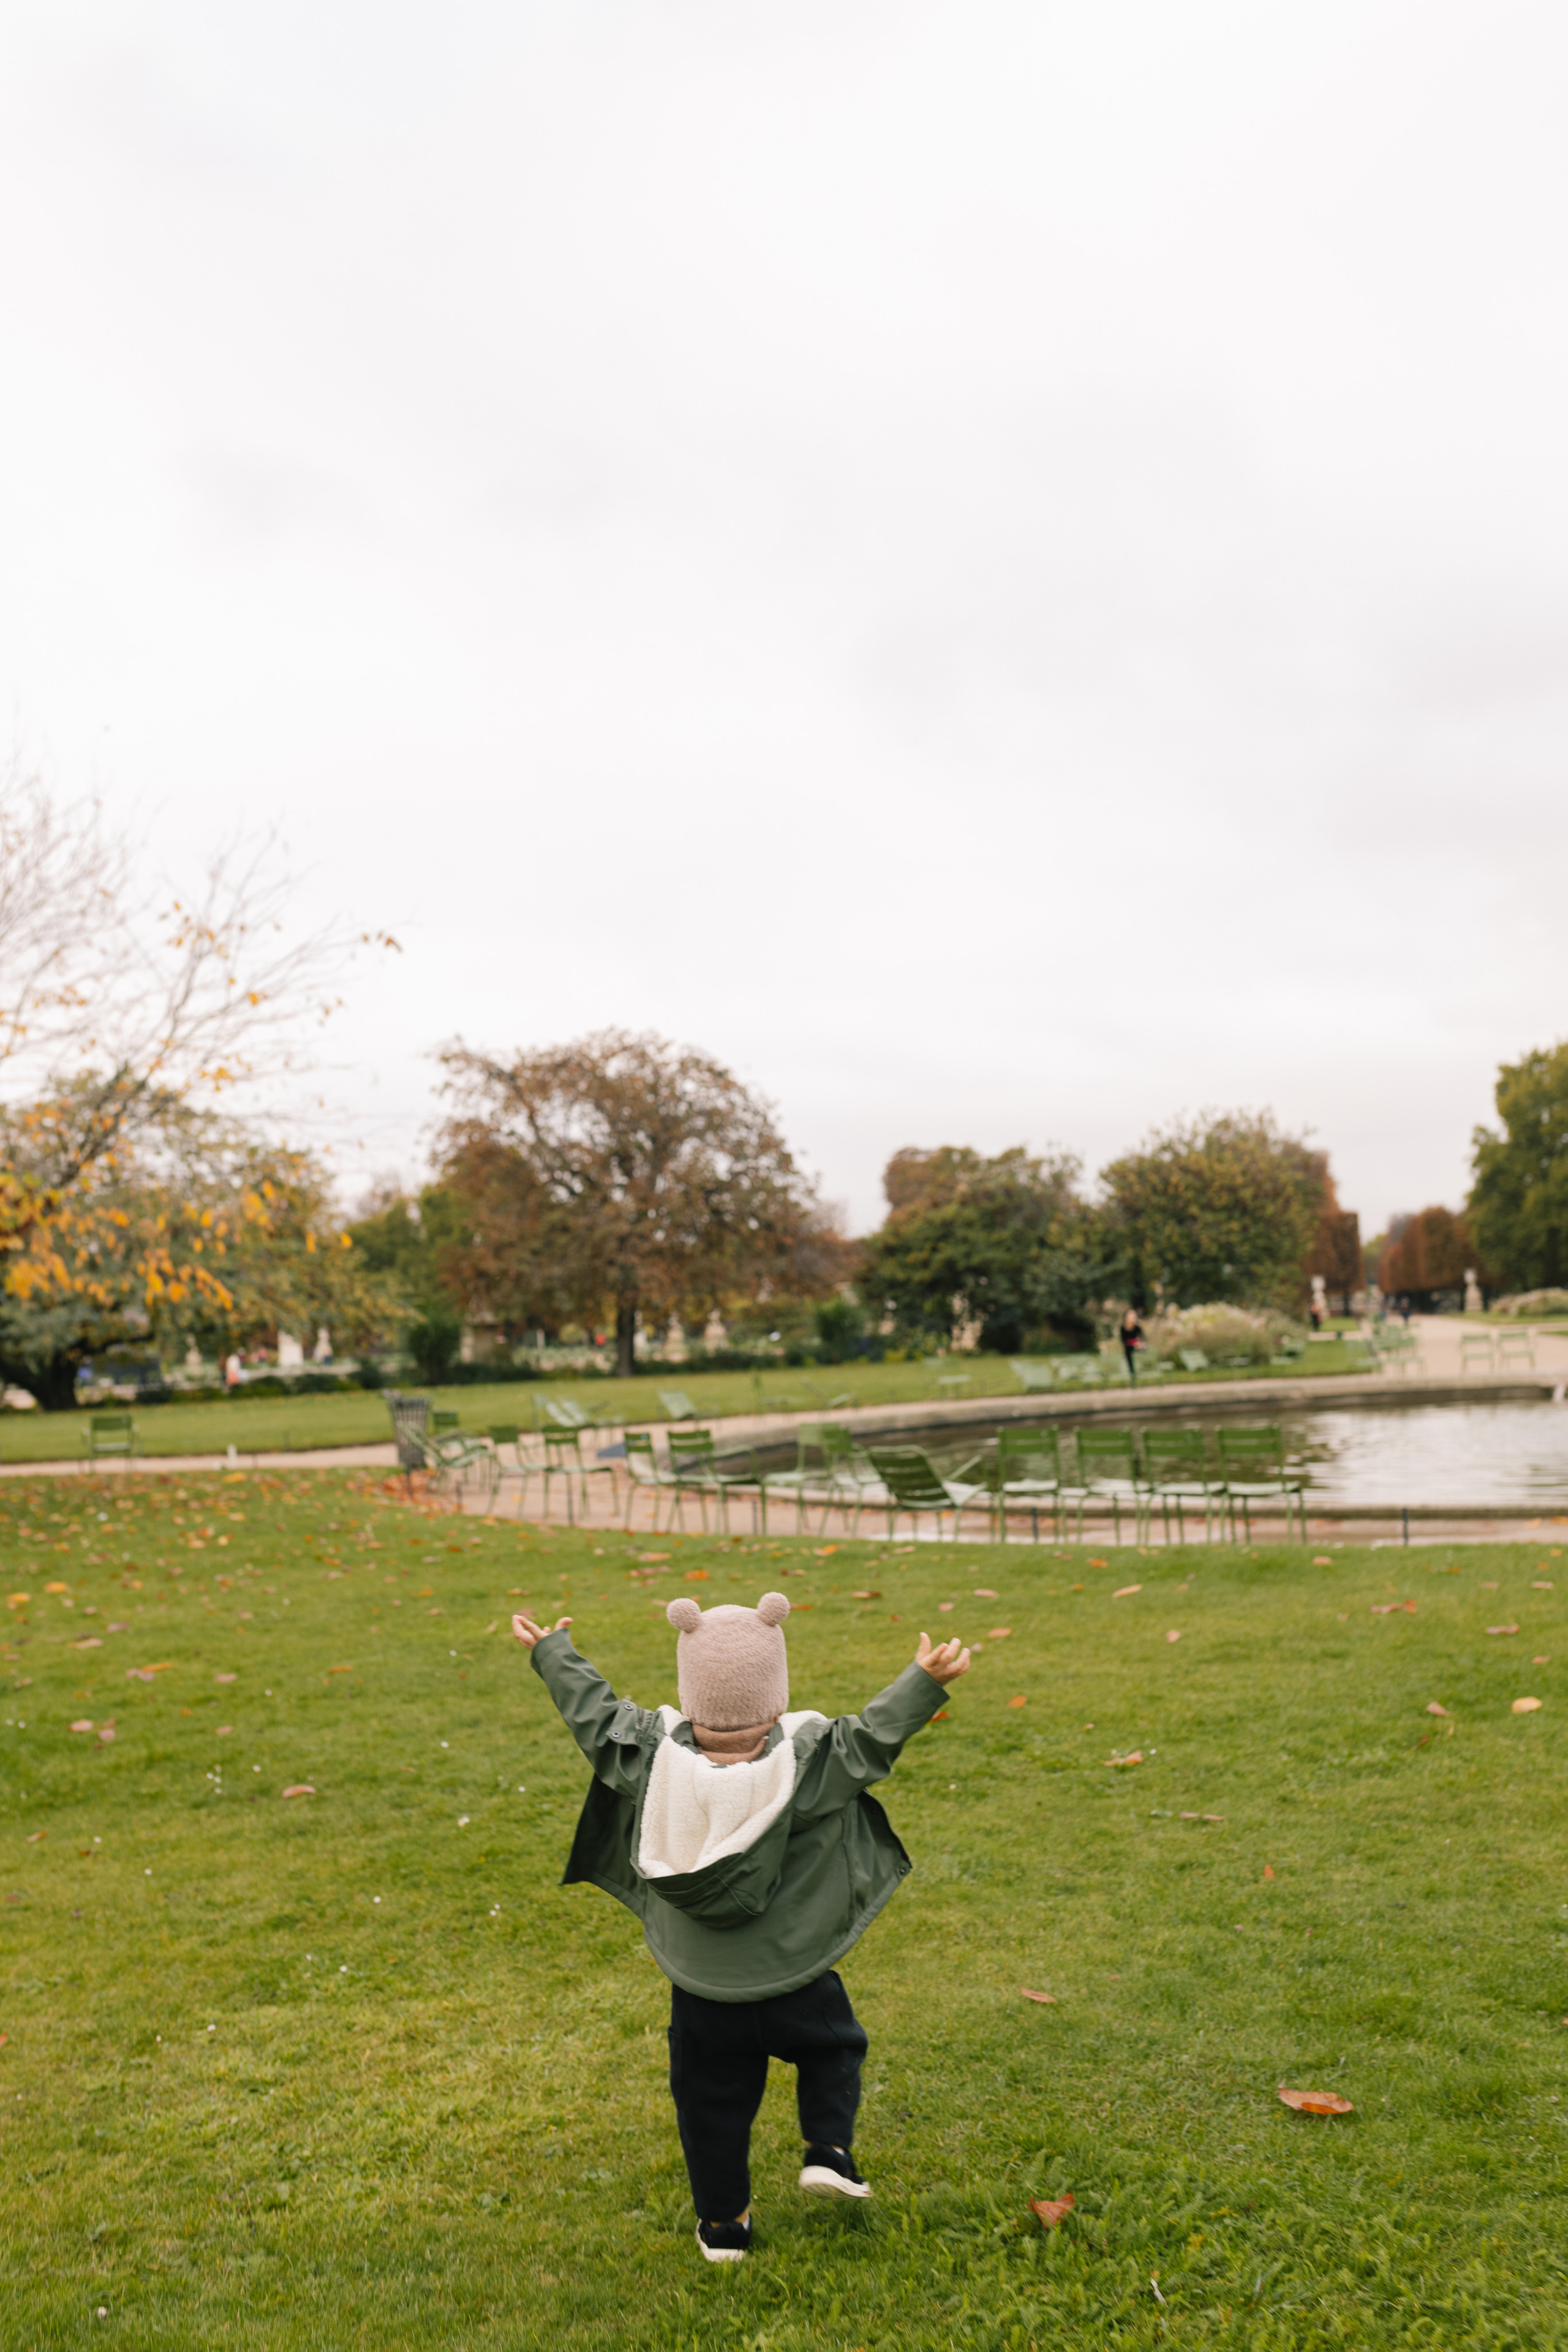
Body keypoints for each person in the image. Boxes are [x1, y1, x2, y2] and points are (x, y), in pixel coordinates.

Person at [511, 1591, 969, 2263]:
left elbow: (596, 1718)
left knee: (710, 2107)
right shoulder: (815, 1762)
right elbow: (875, 1735)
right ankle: (828, 2149)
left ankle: (725, 2227)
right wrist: (923, 1681)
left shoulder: (647, 1761)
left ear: (688, 1689)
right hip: (796, 1977)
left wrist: (554, 1654)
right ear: (777, 1692)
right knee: (833, 2048)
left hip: (702, 1993)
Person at [1119, 1305, 1145, 1382]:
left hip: (1138, 1350)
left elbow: (1142, 1338)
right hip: (1129, 1351)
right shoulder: (1123, 1328)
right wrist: (1134, 1343)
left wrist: (1140, 1344)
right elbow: (1123, 1341)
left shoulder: (1138, 1328)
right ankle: (1133, 1377)